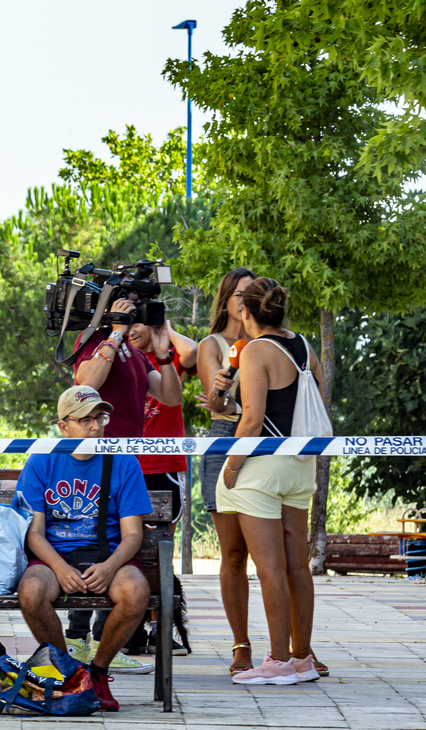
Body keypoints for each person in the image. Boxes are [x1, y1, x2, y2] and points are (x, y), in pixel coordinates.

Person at [14, 385, 155, 712]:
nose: (95, 426)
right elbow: (34, 532)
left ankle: (99, 672)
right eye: (84, 420)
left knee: (136, 591)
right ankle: (67, 672)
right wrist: (60, 569)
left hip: (107, 556)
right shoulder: (41, 460)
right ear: (63, 426)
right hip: (54, 557)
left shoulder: (122, 460)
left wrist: (109, 567)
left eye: (99, 417)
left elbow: (132, 534)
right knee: (31, 591)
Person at [65, 302, 180, 673]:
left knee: (116, 544)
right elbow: (86, 383)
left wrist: (164, 357)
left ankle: (101, 642)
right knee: (94, 542)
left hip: (126, 463)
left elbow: (170, 396)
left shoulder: (135, 352)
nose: (135, 320)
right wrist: (113, 331)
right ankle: (76, 640)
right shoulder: (95, 339)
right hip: (93, 460)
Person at [217, 278, 322, 686]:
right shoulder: (303, 345)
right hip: (300, 463)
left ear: (246, 311)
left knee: (269, 567)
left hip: (262, 464)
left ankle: (278, 661)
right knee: (298, 564)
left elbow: (252, 418)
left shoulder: (256, 350)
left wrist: (232, 465)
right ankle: (301, 657)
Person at [195, 267, 257, 674]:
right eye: (238, 293)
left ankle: (296, 646)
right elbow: (216, 405)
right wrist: (222, 395)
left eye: (252, 293)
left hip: (269, 442)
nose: (245, 299)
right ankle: (241, 646)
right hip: (224, 440)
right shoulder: (212, 345)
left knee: (281, 556)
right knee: (234, 553)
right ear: (225, 300)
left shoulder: (271, 342)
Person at [127, 319, 197, 655]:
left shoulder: (163, 357)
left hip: (164, 465)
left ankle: (160, 627)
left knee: (158, 549)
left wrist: (162, 330)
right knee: (127, 545)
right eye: (128, 323)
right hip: (129, 465)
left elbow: (193, 351)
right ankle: (130, 626)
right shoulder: (120, 358)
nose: (132, 330)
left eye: (139, 322)